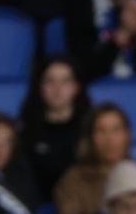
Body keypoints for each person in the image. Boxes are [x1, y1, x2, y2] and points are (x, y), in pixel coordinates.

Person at [19, 57, 89, 203]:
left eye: (65, 81)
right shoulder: (25, 132)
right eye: (50, 81)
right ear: (40, 88)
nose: (57, 89)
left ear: (76, 87)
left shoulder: (91, 129)